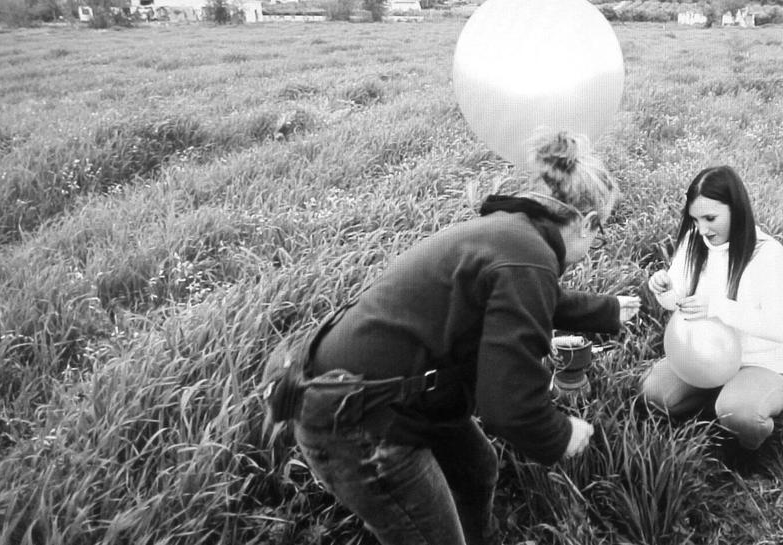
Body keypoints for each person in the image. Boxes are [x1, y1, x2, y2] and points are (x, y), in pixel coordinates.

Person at [266, 130, 641, 545]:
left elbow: (529, 297)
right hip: (357, 422)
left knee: (476, 468)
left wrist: (608, 310)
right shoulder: (528, 259)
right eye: (600, 234)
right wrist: (560, 434)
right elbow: (508, 404)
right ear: (587, 223)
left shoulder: (512, 233)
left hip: (373, 388)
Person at [640, 166, 783, 450]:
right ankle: (715, 397)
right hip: (700, 357)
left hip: (756, 363)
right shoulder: (694, 241)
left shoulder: (768, 253)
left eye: (710, 218)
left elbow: (781, 327)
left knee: (739, 414)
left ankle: (747, 436)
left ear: (736, 210)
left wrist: (717, 307)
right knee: (653, 393)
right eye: (695, 219)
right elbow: (677, 302)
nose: (702, 229)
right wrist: (665, 290)